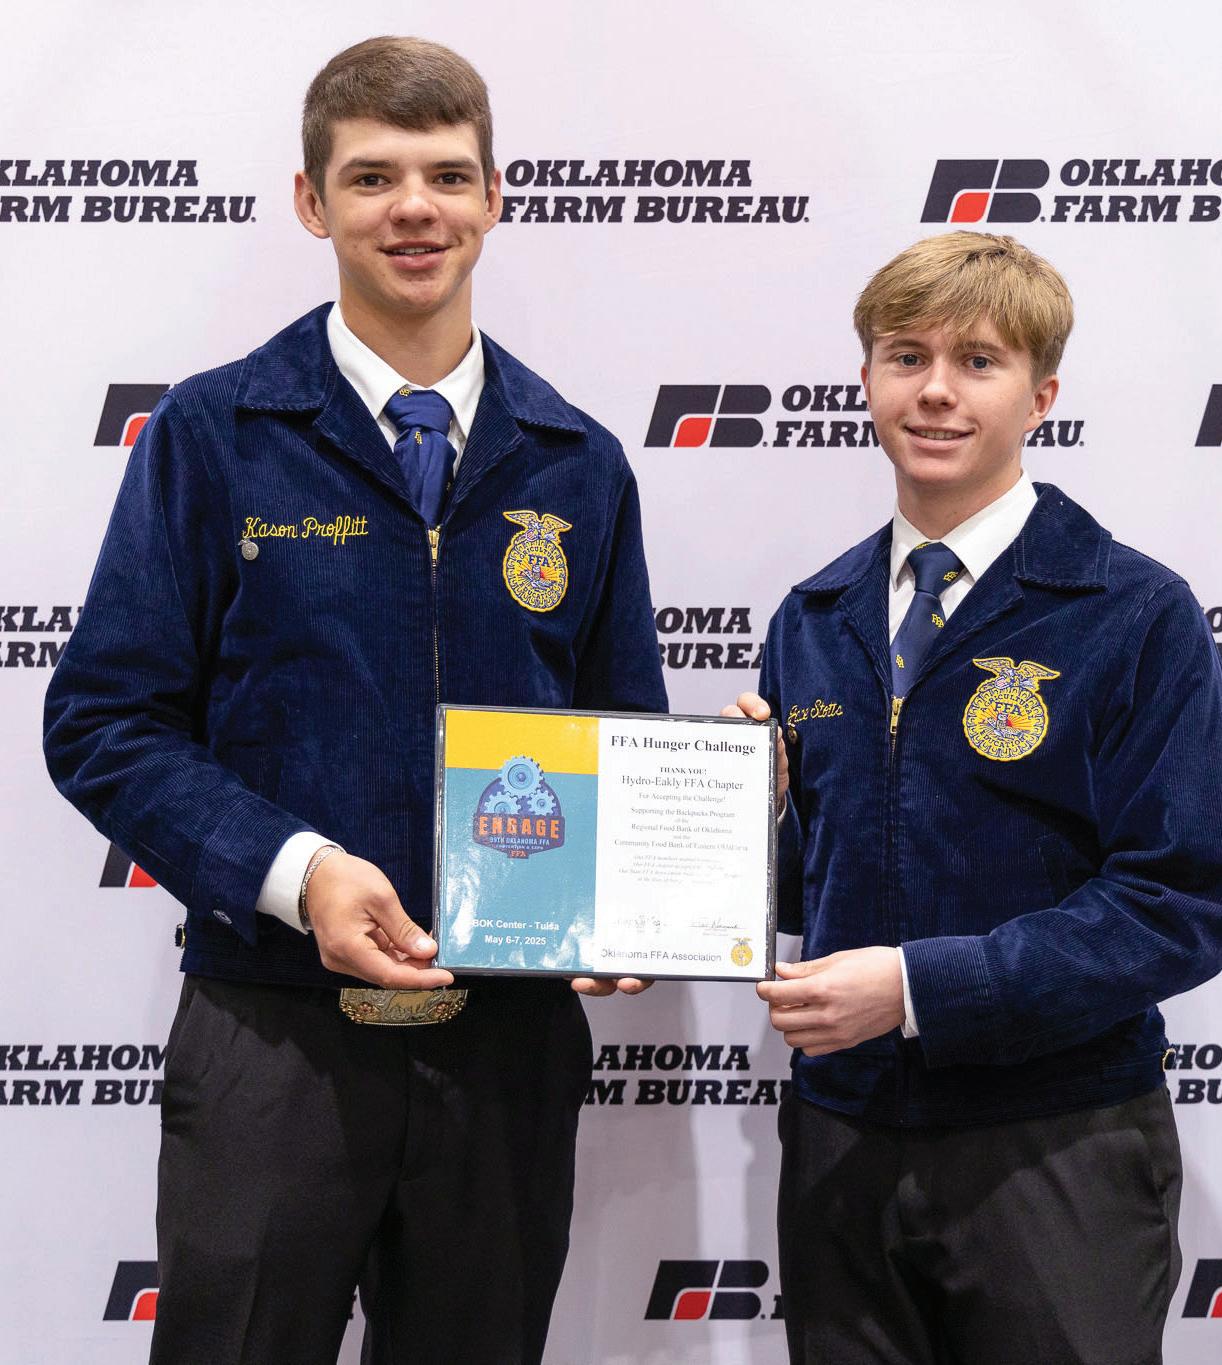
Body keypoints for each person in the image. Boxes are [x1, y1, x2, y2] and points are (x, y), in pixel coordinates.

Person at [43, 36, 665, 1365]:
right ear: (311, 203)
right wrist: (298, 871)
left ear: (495, 197)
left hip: (504, 1047)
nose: (415, 209)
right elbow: (102, 722)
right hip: (272, 1033)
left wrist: (632, 894)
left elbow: (618, 739)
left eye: (447, 175)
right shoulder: (213, 436)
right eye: (373, 177)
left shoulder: (579, 464)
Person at [726, 231, 1222, 1364]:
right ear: (866, 378)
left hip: (1056, 1144)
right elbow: (823, 878)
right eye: (906, 356)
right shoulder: (814, 618)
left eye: (979, 361)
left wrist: (917, 990)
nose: (936, 390)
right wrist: (746, 823)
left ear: (1040, 395)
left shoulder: (1132, 612)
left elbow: (1179, 901)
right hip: (843, 1139)